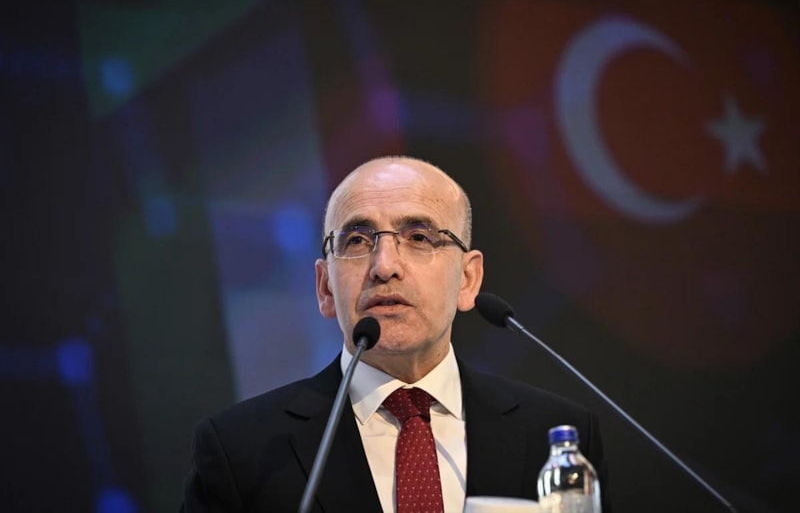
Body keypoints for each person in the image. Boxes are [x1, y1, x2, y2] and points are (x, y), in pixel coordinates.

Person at [181, 155, 612, 512]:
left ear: (468, 280)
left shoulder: (556, 436)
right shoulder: (242, 450)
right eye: (356, 241)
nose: (384, 266)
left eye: (419, 237)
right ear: (325, 288)